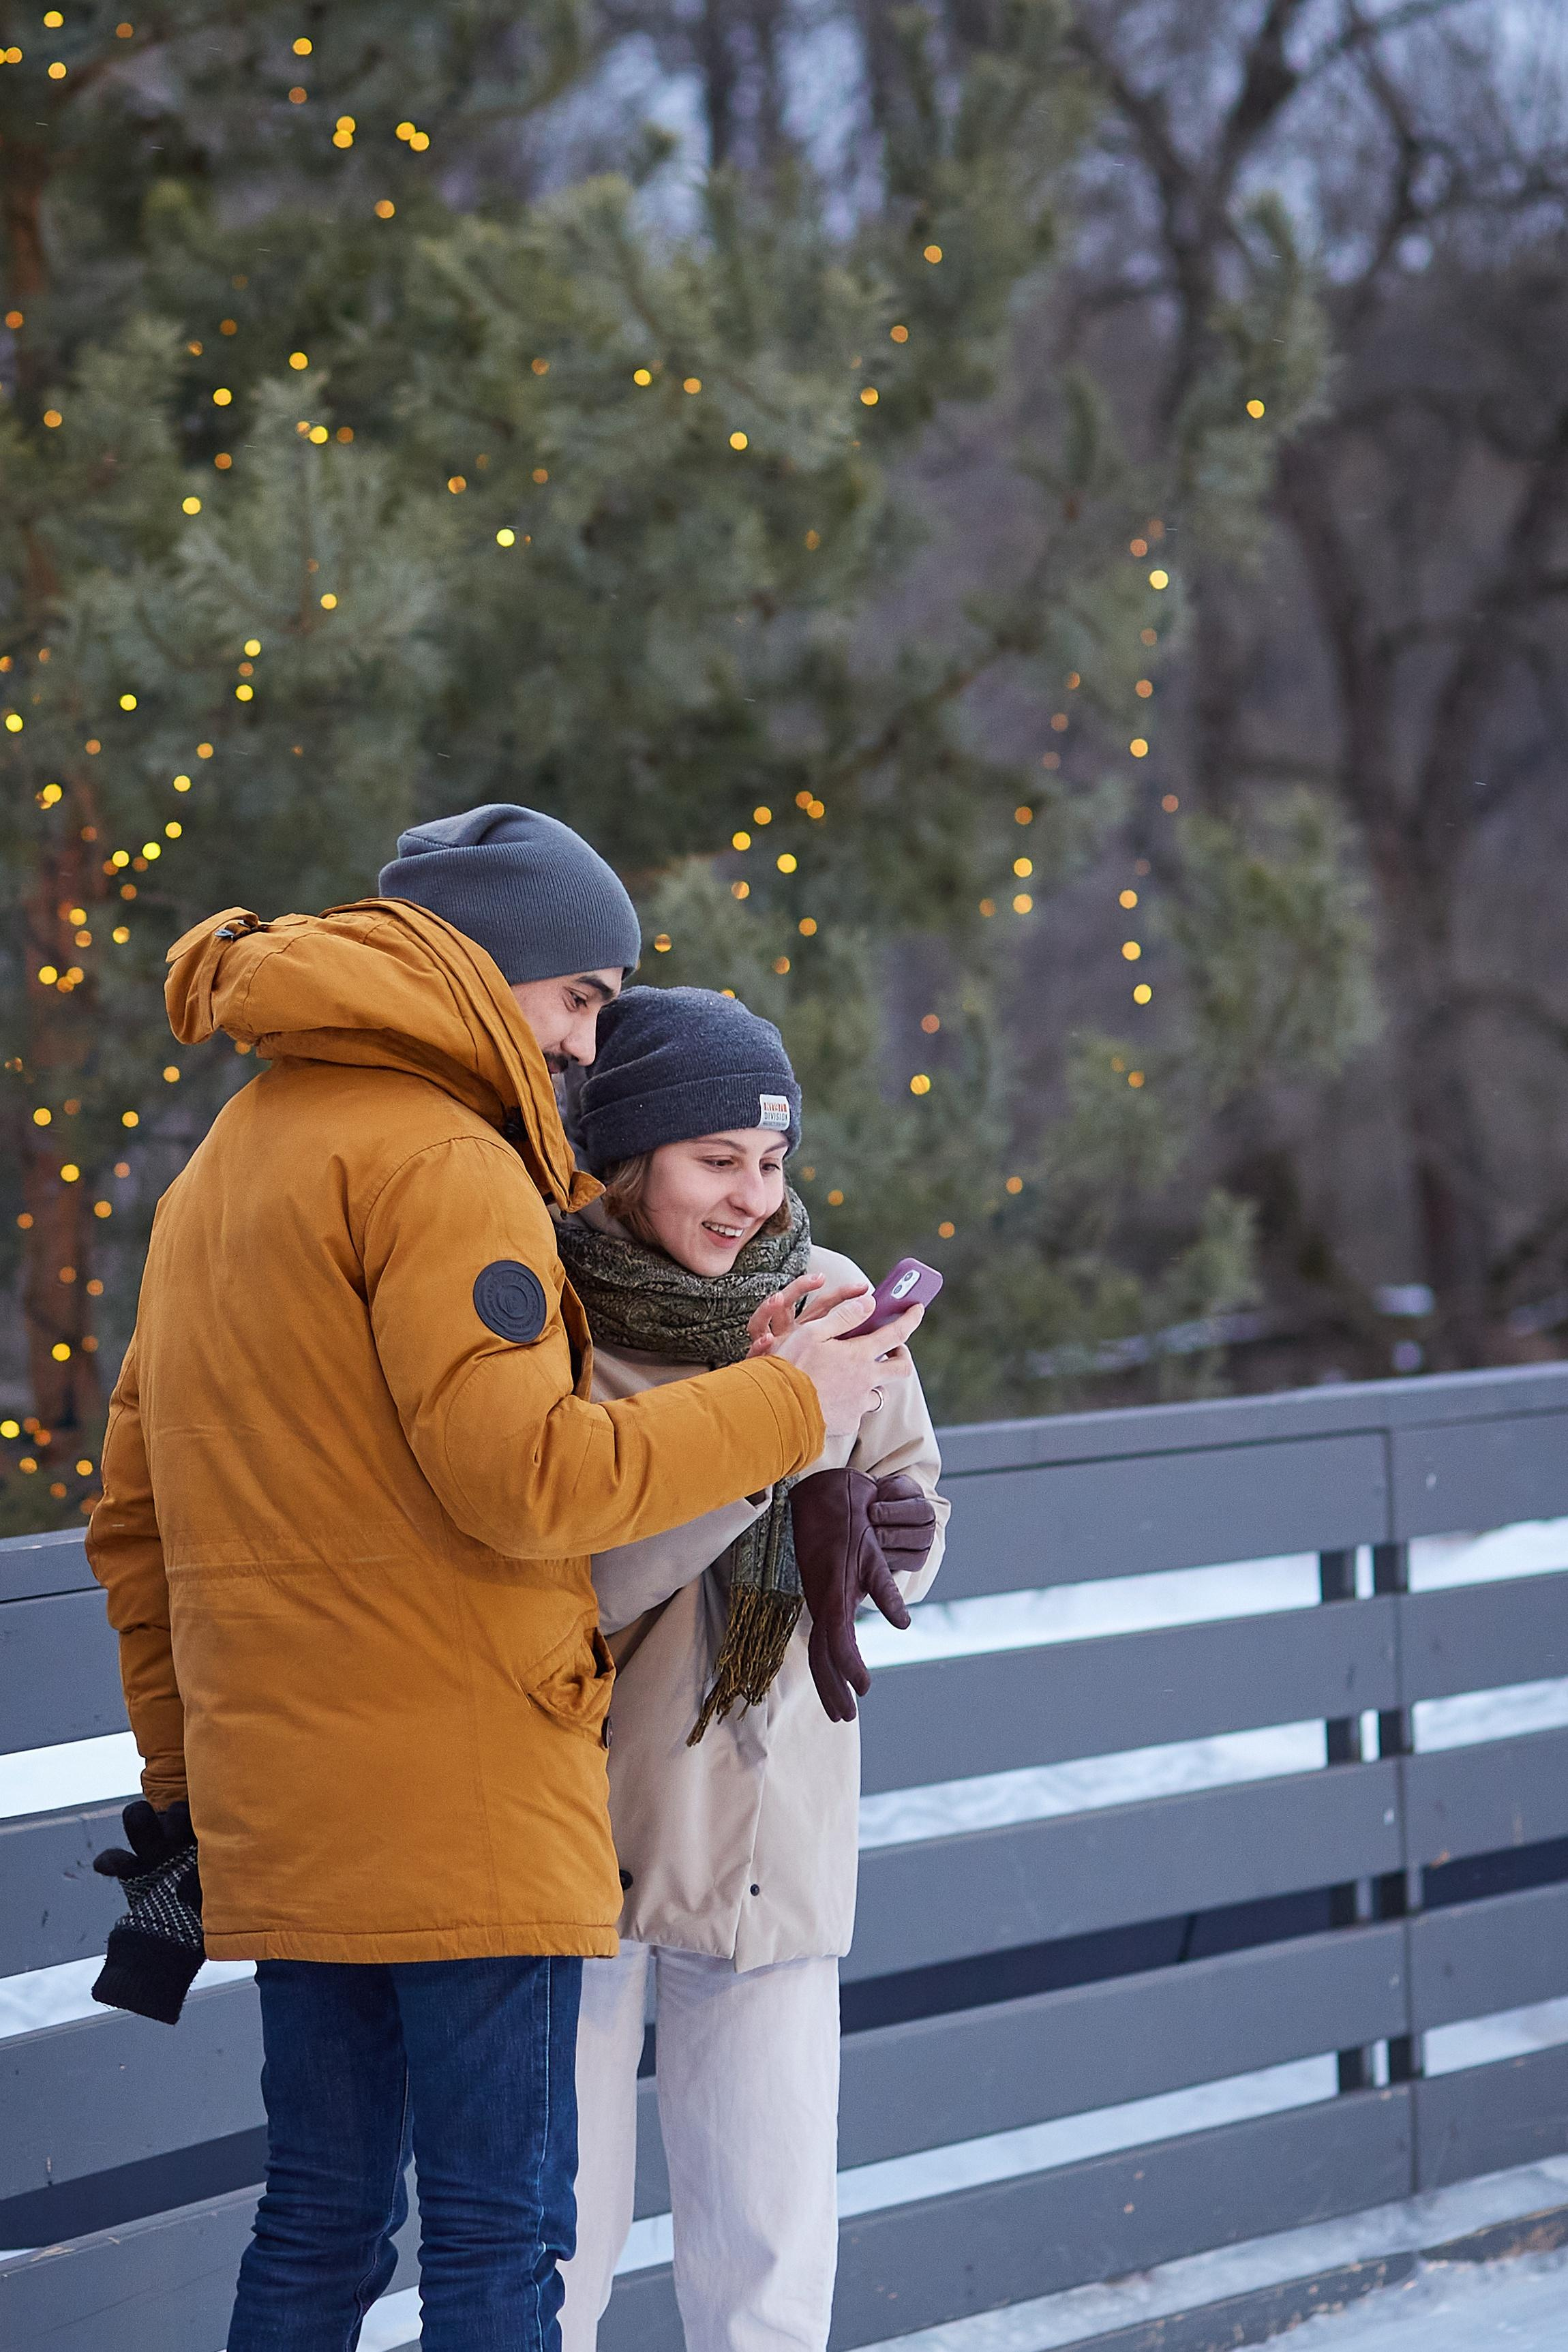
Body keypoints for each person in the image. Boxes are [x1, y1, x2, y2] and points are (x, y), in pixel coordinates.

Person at [84, 807, 918, 2352]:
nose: (585, 1045)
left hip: (285, 1794)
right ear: (485, 966)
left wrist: (187, 1775)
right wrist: (788, 1407)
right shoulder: (450, 1162)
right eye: (581, 996)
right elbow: (530, 1481)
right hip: (464, 1793)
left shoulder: (222, 1164)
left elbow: (135, 1515)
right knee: (502, 2237)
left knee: (321, 2219)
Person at [551, 986, 948, 2352]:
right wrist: (771, 1442)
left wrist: (891, 1532)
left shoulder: (833, 1296)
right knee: (554, 2255)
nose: (751, 1196)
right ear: (628, 1157)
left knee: (770, 2270)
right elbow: (573, 1581)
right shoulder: (554, 1318)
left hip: (773, 1825)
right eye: (715, 1158)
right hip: (584, 1837)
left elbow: (909, 1491)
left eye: (771, 1161)